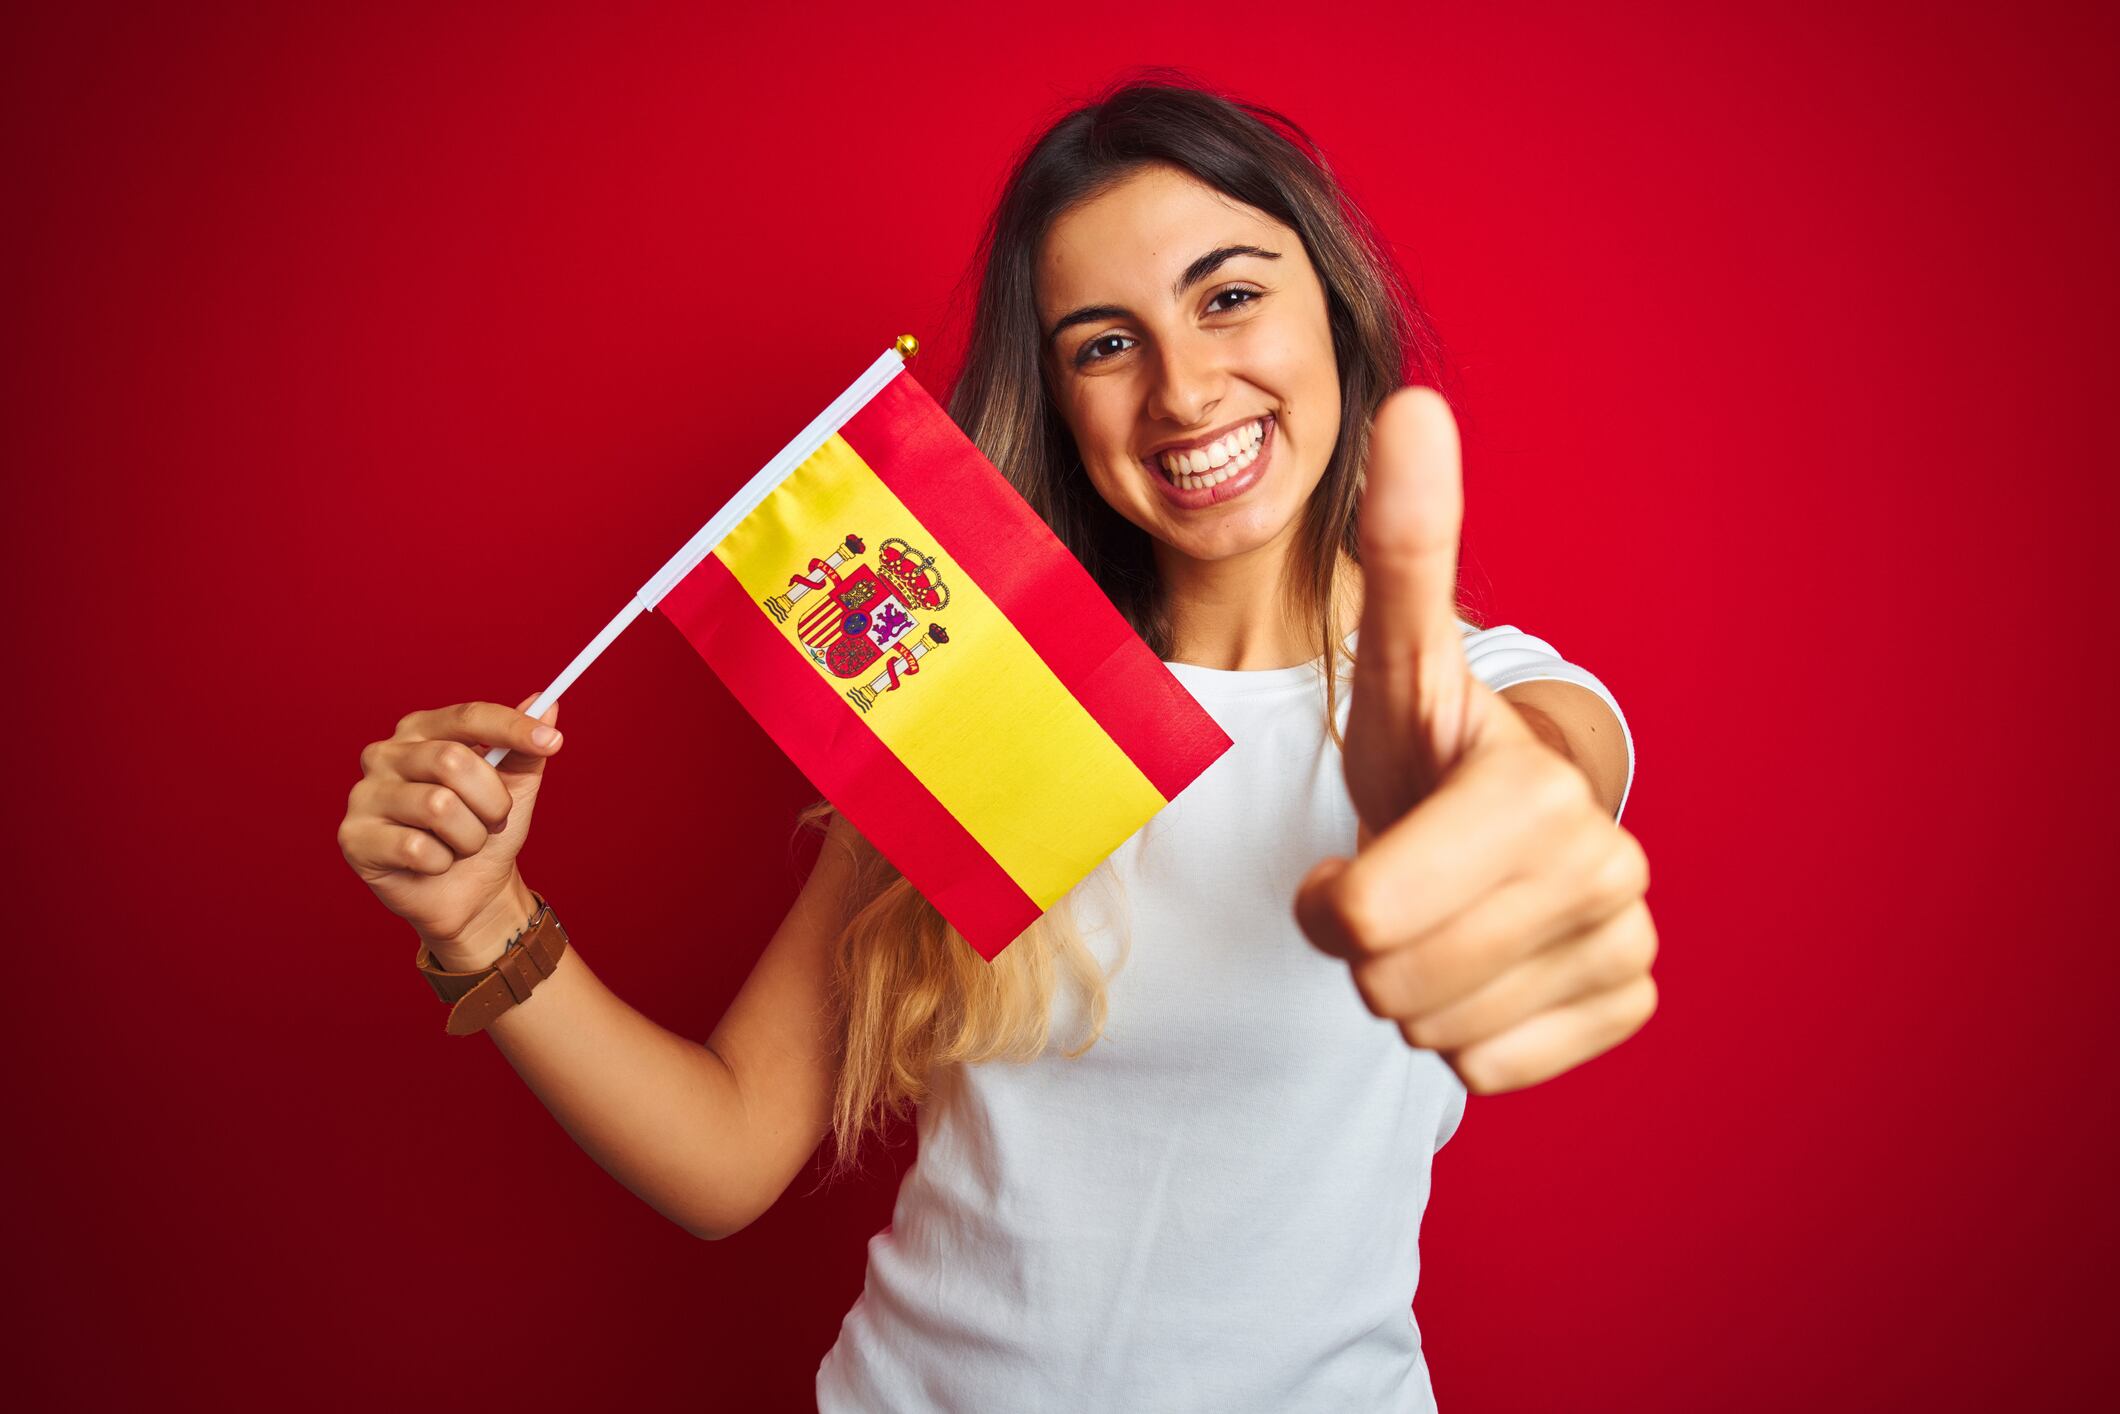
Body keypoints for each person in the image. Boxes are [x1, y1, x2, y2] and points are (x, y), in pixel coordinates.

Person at [336, 75, 1656, 1413]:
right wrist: (481, 911)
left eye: (1230, 295)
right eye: (1104, 343)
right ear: (1063, 399)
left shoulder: (1492, 693)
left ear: (1335, 301)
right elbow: (726, 1150)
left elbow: (1540, 779)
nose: (1187, 389)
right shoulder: (991, 695)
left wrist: (1472, 805)